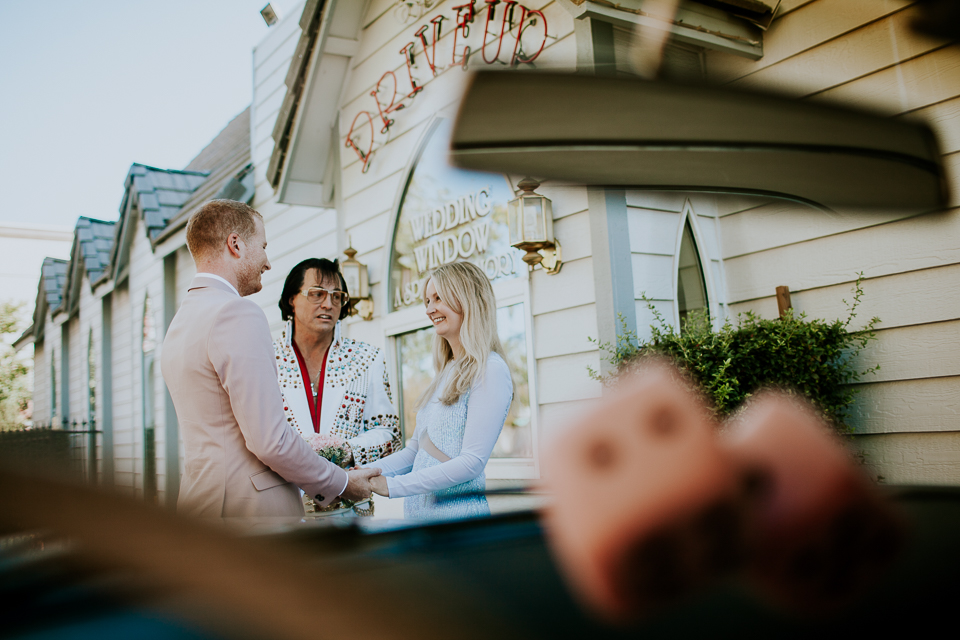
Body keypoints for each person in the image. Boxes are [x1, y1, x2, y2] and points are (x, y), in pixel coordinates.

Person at [160, 199, 379, 518]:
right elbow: (270, 441)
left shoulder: (180, 322)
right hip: (250, 514)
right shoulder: (236, 312)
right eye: (262, 246)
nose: (267, 262)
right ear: (235, 244)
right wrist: (341, 482)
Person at [366, 261, 513, 519]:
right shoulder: (447, 372)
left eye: (438, 298)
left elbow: (471, 463)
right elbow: (414, 453)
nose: (429, 309)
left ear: (468, 299)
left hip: (459, 530)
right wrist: (363, 472)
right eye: (427, 301)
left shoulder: (490, 369)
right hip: (424, 528)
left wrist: (392, 487)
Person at [273, 258, 401, 463]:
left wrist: (345, 450)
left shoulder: (366, 358)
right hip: (285, 492)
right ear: (292, 299)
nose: (328, 304)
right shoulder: (266, 360)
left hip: (349, 490)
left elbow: (390, 434)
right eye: (317, 294)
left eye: (337, 296)